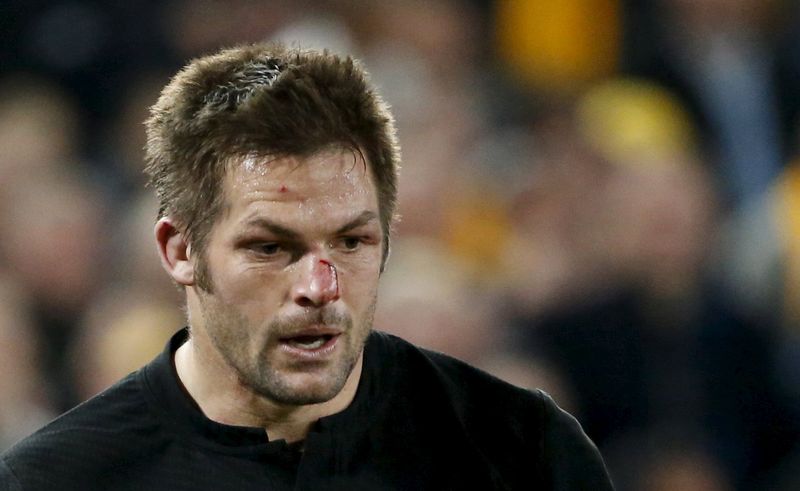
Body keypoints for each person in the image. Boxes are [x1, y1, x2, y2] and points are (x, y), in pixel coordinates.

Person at [0, 43, 613, 490]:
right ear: (180, 251)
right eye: (271, 248)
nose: (321, 289)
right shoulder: (55, 480)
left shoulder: (522, 449)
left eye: (352, 242)